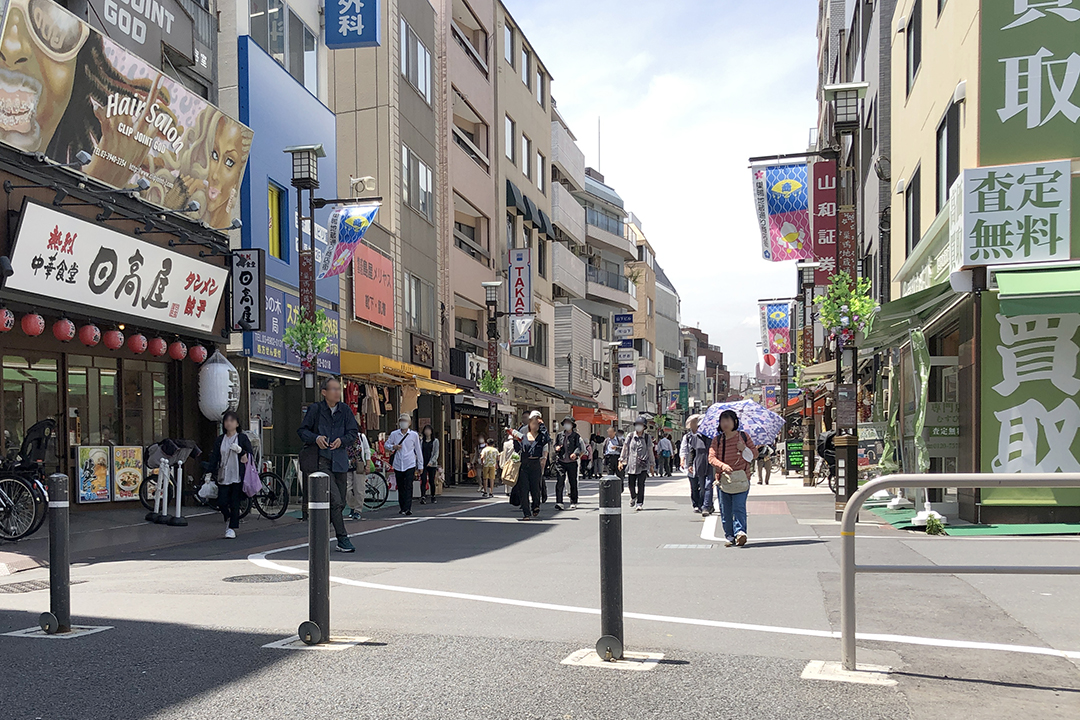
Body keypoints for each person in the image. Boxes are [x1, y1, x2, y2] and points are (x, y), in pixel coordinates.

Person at [298, 377, 360, 552]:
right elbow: (302, 431)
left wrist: (342, 440)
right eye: (333, 389)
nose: (337, 392)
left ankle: (320, 533)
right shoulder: (315, 409)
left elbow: (353, 432)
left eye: (339, 389)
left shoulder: (345, 410)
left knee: (340, 503)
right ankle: (342, 538)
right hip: (321, 460)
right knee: (334, 499)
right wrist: (315, 438)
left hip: (339, 460)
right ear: (324, 392)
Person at [708, 409, 758, 547]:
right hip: (723, 479)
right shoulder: (717, 440)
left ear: (735, 421)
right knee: (725, 509)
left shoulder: (744, 437)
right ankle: (729, 535)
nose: (725, 423)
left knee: (739, 506)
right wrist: (723, 466)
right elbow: (711, 458)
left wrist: (744, 449)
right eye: (722, 420)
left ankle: (740, 532)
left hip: (742, 478)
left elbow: (754, 454)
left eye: (728, 420)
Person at [206, 410, 253, 539]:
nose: (229, 423)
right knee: (221, 501)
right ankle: (228, 517)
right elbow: (215, 456)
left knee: (234, 502)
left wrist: (241, 451)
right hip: (223, 475)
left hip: (238, 475)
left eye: (232, 420)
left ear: (237, 423)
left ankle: (232, 528)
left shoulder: (242, 438)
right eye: (227, 420)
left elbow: (250, 455)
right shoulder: (220, 439)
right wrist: (209, 472)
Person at [510, 411, 549, 521]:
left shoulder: (541, 436)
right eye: (533, 423)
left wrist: (542, 425)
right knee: (524, 489)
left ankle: (535, 505)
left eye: (537, 423)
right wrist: (514, 440)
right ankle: (526, 513)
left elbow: (547, 439)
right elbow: (517, 448)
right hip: (524, 464)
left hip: (535, 463)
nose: (535, 425)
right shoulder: (523, 435)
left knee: (535, 488)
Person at [386, 414, 424, 516]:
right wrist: (393, 447)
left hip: (410, 462)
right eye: (401, 420)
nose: (403, 422)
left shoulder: (414, 435)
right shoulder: (394, 434)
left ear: (409, 423)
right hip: (398, 463)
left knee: (408, 486)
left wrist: (420, 465)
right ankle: (402, 506)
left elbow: (418, 450)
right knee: (401, 486)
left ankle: (408, 508)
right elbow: (386, 444)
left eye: (405, 421)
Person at [619, 416, 655, 511]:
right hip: (631, 464)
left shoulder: (647, 438)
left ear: (644, 427)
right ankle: (633, 496)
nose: (638, 427)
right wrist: (621, 461)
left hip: (642, 465)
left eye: (641, 425)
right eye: (637, 425)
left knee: (641, 484)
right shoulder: (630, 436)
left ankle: (639, 503)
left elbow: (650, 451)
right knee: (630, 484)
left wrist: (652, 465)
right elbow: (625, 448)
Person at [681, 415, 713, 515]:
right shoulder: (694, 438)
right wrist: (689, 464)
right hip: (699, 465)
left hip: (711, 464)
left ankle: (706, 507)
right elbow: (692, 451)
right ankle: (702, 504)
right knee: (701, 487)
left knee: (708, 486)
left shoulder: (712, 438)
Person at [553, 416, 586, 510]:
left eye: (569, 423)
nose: (567, 425)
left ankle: (573, 501)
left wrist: (575, 454)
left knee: (572, 482)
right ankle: (559, 502)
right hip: (561, 460)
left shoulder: (576, 436)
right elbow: (555, 444)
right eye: (565, 422)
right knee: (560, 481)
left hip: (572, 462)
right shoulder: (560, 435)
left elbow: (580, 447)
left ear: (572, 425)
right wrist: (556, 448)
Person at [345, 430, 371, 521]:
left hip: (359, 465)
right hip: (346, 466)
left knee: (359, 489)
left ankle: (357, 510)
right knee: (347, 489)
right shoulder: (343, 436)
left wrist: (367, 464)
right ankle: (352, 506)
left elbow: (367, 450)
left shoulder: (361, 436)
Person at [419, 424, 440, 504]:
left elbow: (436, 453)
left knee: (431, 480)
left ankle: (433, 496)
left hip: (432, 464)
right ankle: (423, 496)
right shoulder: (421, 441)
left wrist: (431, 462)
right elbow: (419, 451)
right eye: (426, 430)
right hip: (423, 463)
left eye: (428, 430)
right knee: (423, 480)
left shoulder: (435, 441)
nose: (427, 431)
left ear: (431, 432)